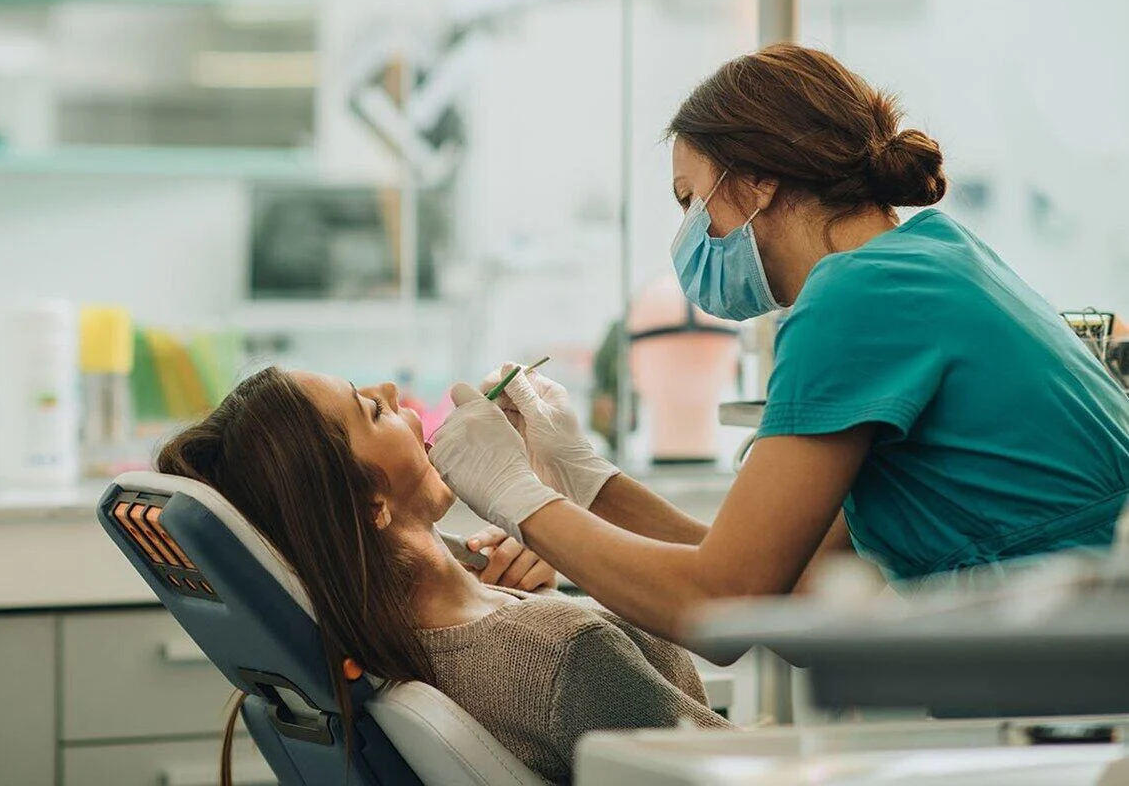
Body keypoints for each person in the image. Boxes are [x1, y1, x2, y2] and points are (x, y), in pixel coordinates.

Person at [429, 44, 1129, 641]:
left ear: (760, 179)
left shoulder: (858, 297)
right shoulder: (928, 258)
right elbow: (784, 582)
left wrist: (515, 495)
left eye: (689, 199)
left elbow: (720, 602)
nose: (687, 235)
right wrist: (586, 480)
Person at [155, 367, 728, 784]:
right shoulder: (562, 652)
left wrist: (545, 579)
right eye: (372, 411)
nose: (391, 394)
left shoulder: (390, 640)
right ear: (370, 503)